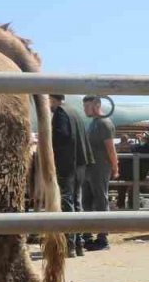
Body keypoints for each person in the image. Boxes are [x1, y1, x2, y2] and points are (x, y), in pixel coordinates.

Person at [49, 94, 92, 257]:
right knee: (76, 201)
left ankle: (70, 244)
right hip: (80, 163)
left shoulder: (60, 113)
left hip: (67, 164)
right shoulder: (75, 112)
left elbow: (61, 137)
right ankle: (79, 244)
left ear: (52, 99)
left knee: (67, 201)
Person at [81, 96, 119, 251]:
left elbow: (111, 148)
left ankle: (103, 238)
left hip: (100, 167)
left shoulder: (104, 123)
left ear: (96, 105)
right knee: (87, 201)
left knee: (100, 200)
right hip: (89, 168)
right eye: (84, 107)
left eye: (87, 106)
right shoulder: (93, 123)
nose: (84, 110)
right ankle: (87, 236)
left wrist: (115, 167)